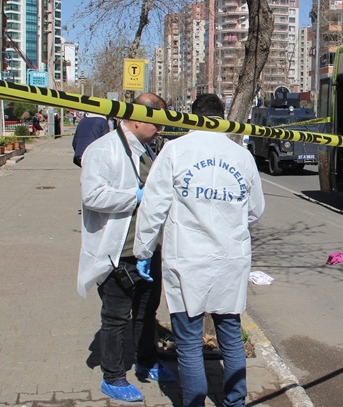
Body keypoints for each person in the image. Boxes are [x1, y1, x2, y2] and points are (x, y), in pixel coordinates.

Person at [134, 93, 265, 407]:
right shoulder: (241, 156)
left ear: (192, 117)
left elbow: (153, 207)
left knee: (190, 342)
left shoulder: (175, 150)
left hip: (187, 258)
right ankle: (235, 401)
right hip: (229, 258)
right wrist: (228, 220)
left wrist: (143, 249)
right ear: (222, 118)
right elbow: (256, 209)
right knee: (230, 335)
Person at [77, 92, 175, 403]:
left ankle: (147, 362)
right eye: (156, 123)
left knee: (147, 312)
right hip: (118, 251)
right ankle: (113, 375)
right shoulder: (102, 149)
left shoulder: (146, 148)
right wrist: (136, 196)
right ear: (137, 118)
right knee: (116, 316)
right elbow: (92, 196)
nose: (160, 129)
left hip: (147, 249)